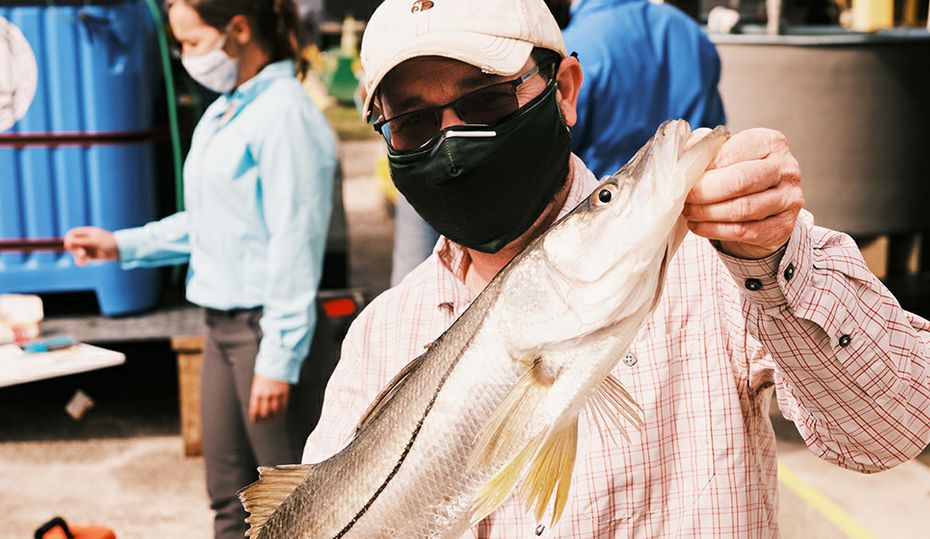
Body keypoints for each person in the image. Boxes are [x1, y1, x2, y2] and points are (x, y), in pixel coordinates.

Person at [304, 0, 930, 537]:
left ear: (566, 90)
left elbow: (898, 426)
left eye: (488, 100)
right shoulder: (380, 333)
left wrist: (774, 255)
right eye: (414, 122)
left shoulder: (718, 270)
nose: (454, 137)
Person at [64, 1, 336, 538]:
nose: (185, 56)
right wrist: (121, 245)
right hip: (219, 328)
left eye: (191, 42)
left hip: (265, 330)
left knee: (291, 508)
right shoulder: (226, 109)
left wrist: (279, 357)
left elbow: (295, 240)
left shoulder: (285, 114)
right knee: (229, 499)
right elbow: (214, 221)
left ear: (237, 30)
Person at [562, 0, 726, 179]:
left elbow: (559, 154)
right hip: (688, 192)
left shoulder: (573, 48)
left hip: (607, 199)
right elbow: (712, 133)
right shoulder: (692, 32)